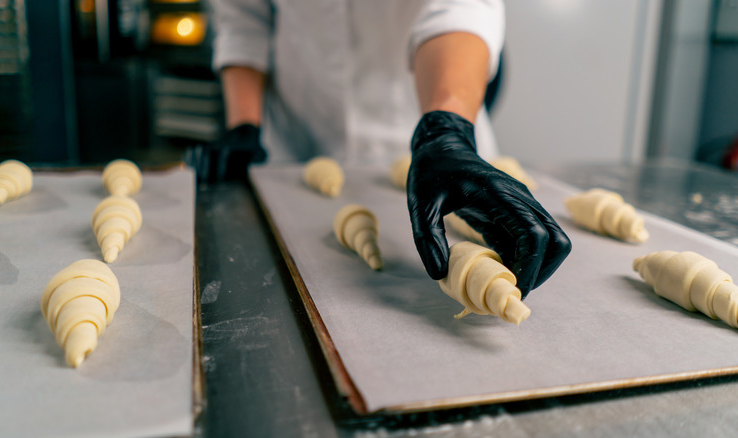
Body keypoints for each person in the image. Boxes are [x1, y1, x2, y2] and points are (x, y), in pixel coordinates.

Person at [201, 0, 570, 295]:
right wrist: (244, 125)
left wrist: (445, 131)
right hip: (299, 145)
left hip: (431, 139)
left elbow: (459, 8)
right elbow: (243, 19)